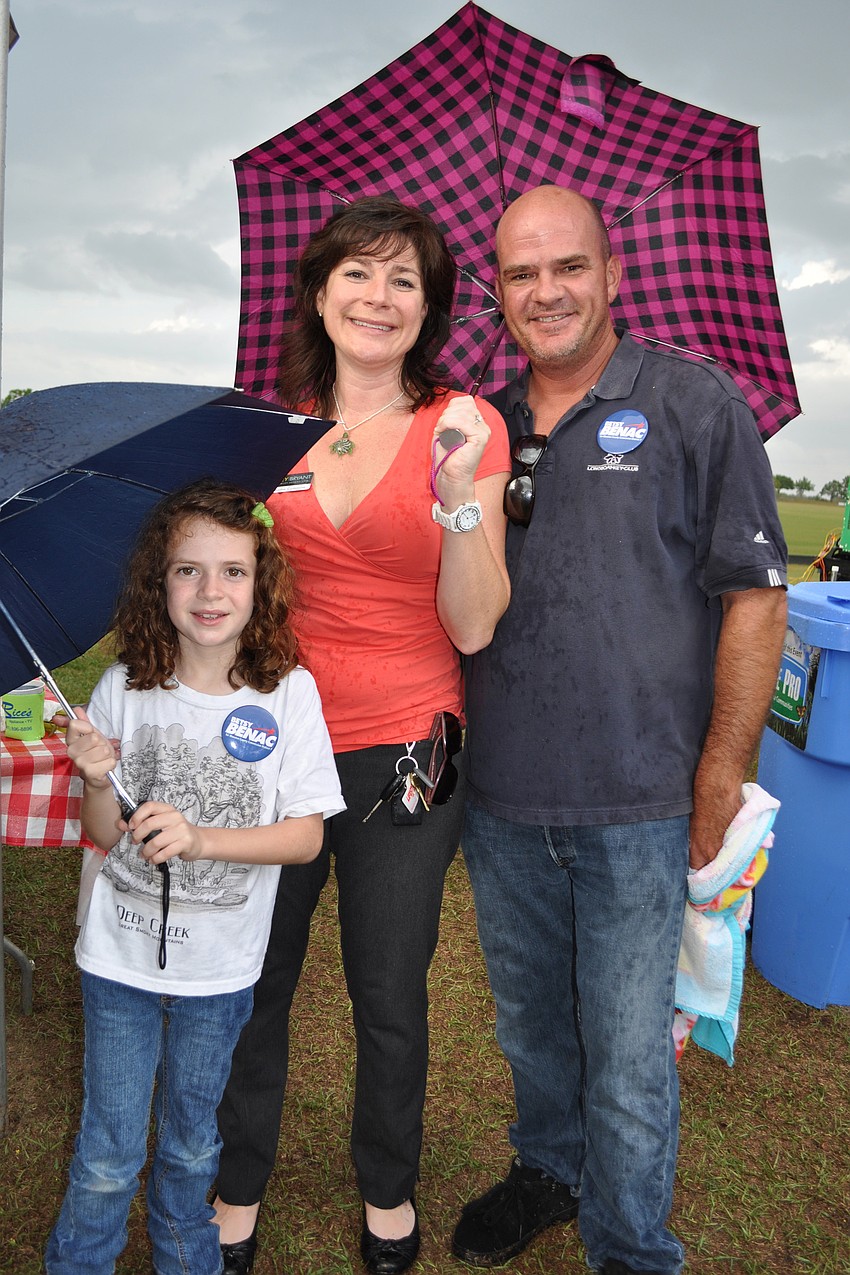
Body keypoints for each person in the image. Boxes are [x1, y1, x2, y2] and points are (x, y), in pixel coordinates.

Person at [452, 185, 789, 1275]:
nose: (544, 291)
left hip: (643, 802)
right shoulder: (483, 424)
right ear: (496, 290)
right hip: (502, 801)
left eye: (567, 267)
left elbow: (753, 595)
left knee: (631, 1057)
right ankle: (548, 1169)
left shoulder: (694, 405)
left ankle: (633, 1247)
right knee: (534, 1031)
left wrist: (722, 772)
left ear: (610, 273)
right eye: (518, 273)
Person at [213, 196, 511, 1275]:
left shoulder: (463, 426)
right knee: (257, 980)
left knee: (388, 989)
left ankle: (387, 1190)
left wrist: (456, 502)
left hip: (403, 750)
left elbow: (475, 622)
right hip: (273, 747)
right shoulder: (269, 431)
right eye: (358, 274)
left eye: (404, 282)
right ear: (320, 290)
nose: (377, 298)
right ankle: (234, 1183)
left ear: (426, 310)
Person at [45, 479, 345, 1275]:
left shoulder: (291, 694)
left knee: (190, 1144)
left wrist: (202, 836)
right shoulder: (122, 690)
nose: (210, 591)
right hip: (119, 961)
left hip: (220, 971)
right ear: (158, 582)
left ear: (262, 581)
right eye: (187, 570)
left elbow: (308, 835)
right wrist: (96, 778)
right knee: (108, 1149)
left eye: (233, 571)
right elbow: (103, 834)